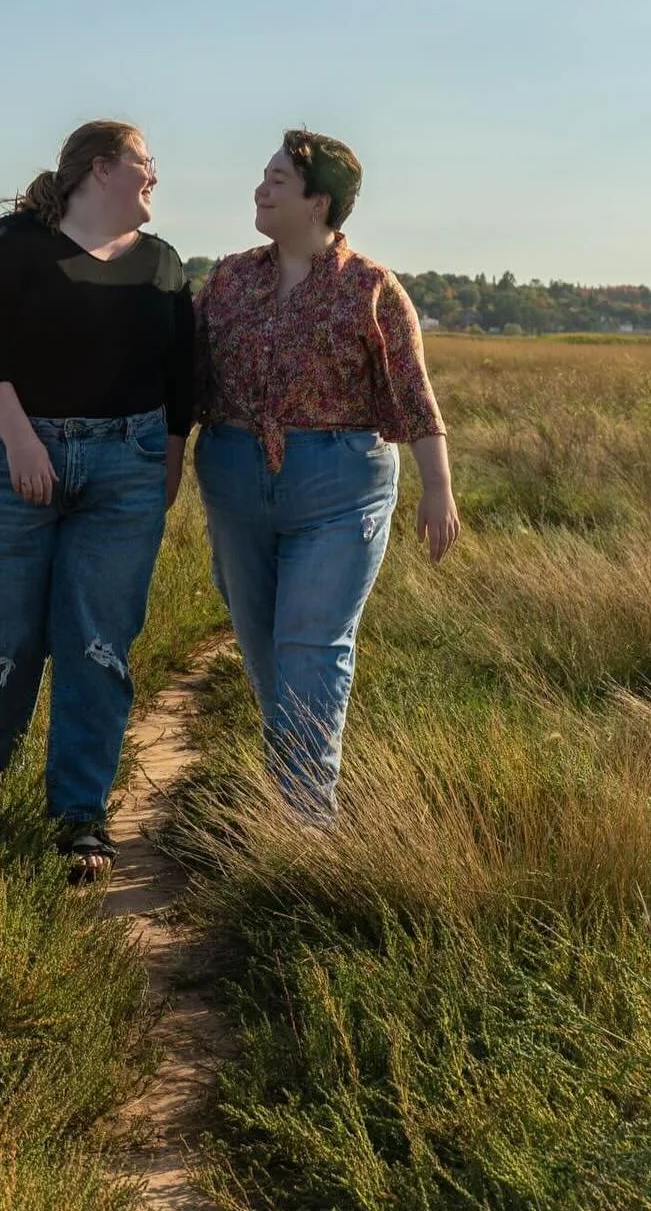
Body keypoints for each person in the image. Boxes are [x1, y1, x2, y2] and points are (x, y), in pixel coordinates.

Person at [0, 120, 194, 880]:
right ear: (101, 168)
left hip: (127, 469)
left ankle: (78, 818)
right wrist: (21, 440)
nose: (156, 178)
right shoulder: (14, 242)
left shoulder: (164, 265)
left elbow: (184, 371)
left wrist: (171, 457)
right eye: (147, 164)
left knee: (97, 644)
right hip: (14, 456)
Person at [194, 129, 459, 821]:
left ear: (319, 202)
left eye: (278, 179)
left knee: (311, 653)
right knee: (266, 657)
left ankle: (305, 825)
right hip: (233, 476)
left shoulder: (372, 288)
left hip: (340, 486)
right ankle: (285, 797)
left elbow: (413, 392)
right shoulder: (226, 281)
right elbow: (184, 381)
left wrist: (439, 489)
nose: (260, 188)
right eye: (263, 175)